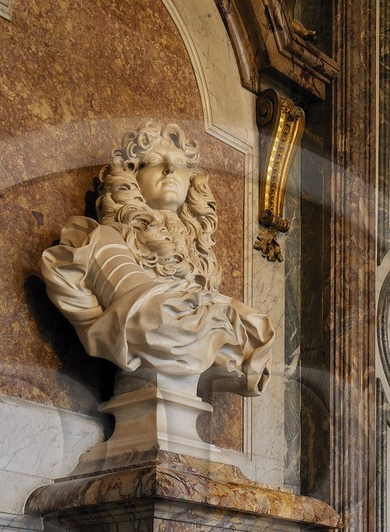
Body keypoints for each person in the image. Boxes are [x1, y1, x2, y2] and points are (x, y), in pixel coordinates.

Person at [40, 121, 272, 399]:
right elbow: (152, 322)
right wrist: (223, 316)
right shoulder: (101, 242)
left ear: (192, 181)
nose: (170, 170)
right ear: (131, 177)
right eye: (153, 161)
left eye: (179, 164)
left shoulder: (202, 263)